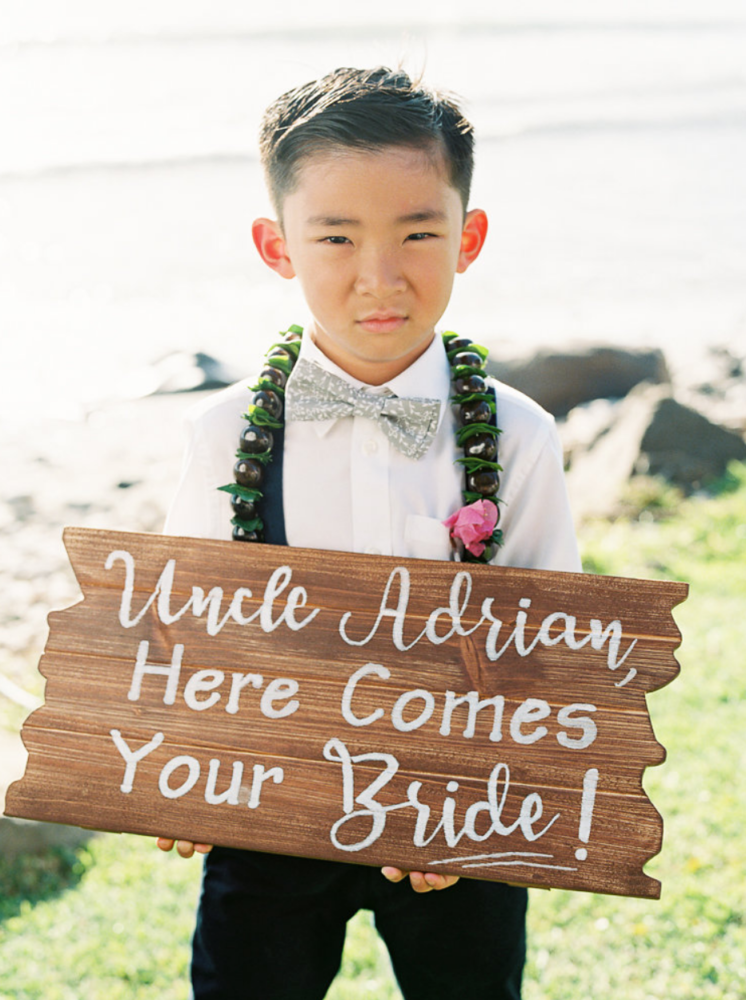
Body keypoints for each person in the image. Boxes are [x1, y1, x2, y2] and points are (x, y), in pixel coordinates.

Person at [158, 66, 581, 1000]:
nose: (379, 276)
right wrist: (176, 767)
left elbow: (548, 652)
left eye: (418, 233)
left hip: (456, 826)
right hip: (270, 817)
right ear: (278, 246)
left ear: (468, 237)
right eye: (336, 237)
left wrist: (476, 799)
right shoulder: (223, 433)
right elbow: (186, 625)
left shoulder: (518, 434)